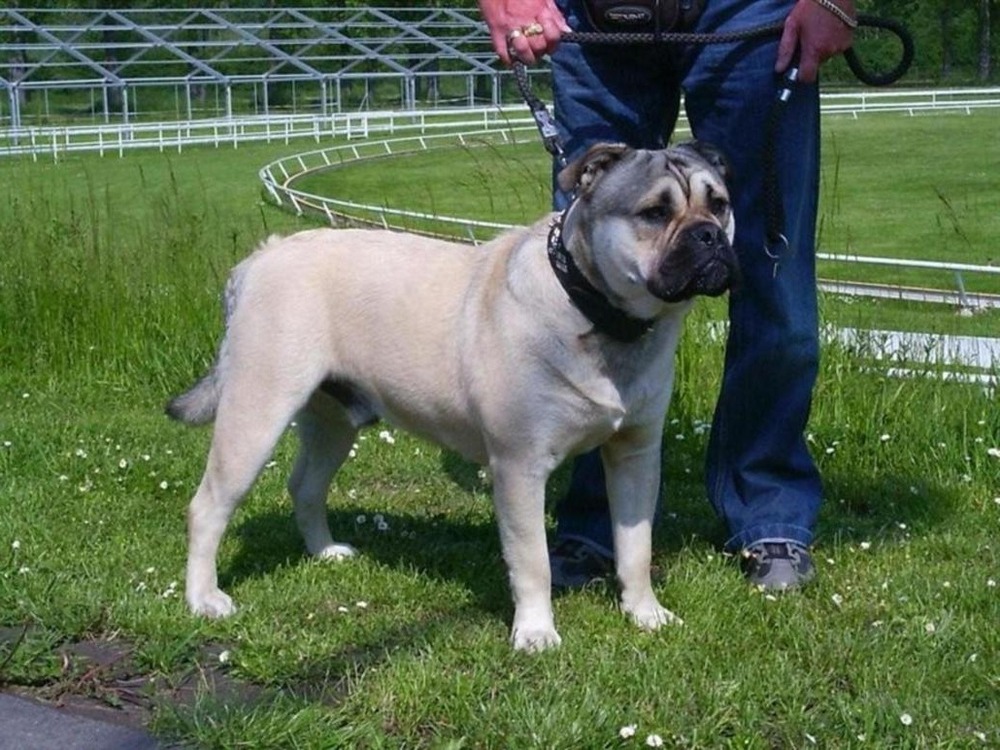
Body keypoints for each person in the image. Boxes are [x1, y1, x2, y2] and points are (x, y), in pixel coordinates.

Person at [478, 0, 856, 590]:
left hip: (758, 14)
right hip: (594, 16)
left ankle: (769, 512)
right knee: (585, 277)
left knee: (774, 277)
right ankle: (594, 523)